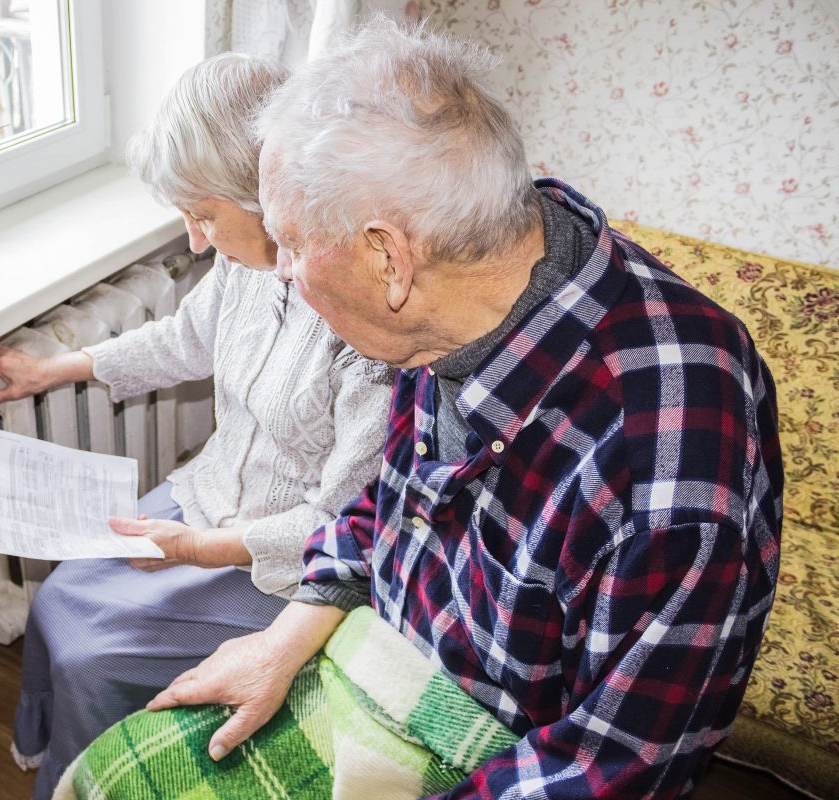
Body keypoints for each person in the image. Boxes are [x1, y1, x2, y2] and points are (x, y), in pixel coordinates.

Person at [101, 20, 782, 800]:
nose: (280, 273)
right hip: (376, 655)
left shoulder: (668, 464)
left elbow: (614, 772)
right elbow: (386, 505)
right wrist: (285, 640)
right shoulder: (457, 300)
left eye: (288, 244)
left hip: (492, 755)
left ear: (388, 257)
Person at [0, 52, 393, 800]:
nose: (193, 241)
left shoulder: (366, 326)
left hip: (280, 561)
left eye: (202, 216)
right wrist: (53, 368)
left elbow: (345, 524)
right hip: (209, 493)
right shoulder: (244, 268)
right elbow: (182, 340)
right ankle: (47, 740)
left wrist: (198, 549)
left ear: (265, 194)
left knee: (94, 655)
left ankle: (89, 782)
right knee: (56, 598)